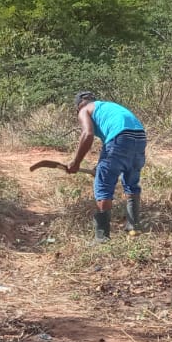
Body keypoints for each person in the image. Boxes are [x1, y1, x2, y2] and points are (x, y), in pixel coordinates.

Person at [66, 91, 146, 241]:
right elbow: (111, 145)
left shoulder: (85, 110)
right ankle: (133, 226)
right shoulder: (106, 107)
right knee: (131, 182)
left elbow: (87, 135)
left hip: (120, 138)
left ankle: (102, 237)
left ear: (78, 107)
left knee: (102, 186)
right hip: (140, 138)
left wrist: (76, 163)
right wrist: (100, 166)